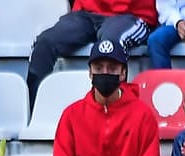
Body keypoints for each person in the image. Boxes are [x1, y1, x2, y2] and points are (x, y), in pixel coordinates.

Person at [27, 0, 156, 103]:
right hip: (86, 13)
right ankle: (32, 113)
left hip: (132, 15)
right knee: (44, 43)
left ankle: (118, 118)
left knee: (111, 46)